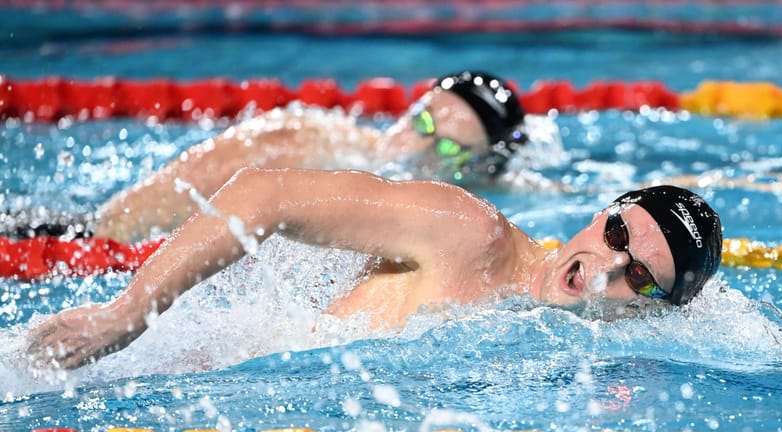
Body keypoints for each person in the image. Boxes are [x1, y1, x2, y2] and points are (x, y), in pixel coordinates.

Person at [26, 167, 722, 370]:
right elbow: (266, 193)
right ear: (603, 212)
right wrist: (125, 314)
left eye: (638, 276)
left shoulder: (598, 354)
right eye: (618, 231)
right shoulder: (470, 235)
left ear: (655, 307)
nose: (604, 265)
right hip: (162, 368)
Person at [2, 70, 528, 243]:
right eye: (425, 122)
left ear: (477, 167)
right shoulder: (309, 140)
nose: (421, 145)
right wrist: (106, 236)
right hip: (82, 236)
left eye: (449, 147)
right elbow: (129, 218)